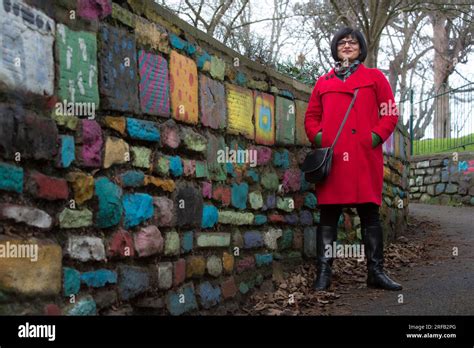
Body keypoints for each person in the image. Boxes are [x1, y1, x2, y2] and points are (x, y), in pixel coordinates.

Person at [304, 26, 402, 291]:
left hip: (363, 157)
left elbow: (390, 113)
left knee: (369, 213)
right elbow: (311, 117)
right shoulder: (323, 82)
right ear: (336, 49)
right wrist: (320, 138)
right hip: (333, 158)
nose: (347, 45)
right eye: (342, 42)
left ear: (361, 48)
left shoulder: (375, 77)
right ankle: (323, 274)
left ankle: (376, 272)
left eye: (353, 42)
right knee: (328, 216)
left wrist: (373, 138)